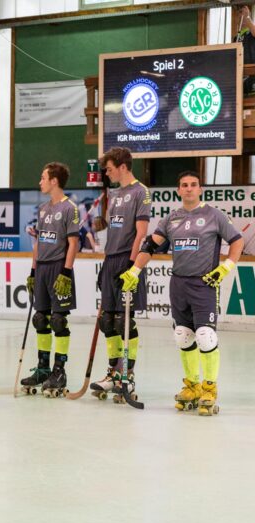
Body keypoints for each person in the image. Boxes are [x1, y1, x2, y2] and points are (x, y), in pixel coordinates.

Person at [120, 171, 243, 416]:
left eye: (193, 185)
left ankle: (210, 389)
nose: (188, 188)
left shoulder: (214, 215)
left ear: (200, 189)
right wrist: (134, 270)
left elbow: (237, 241)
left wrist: (226, 267)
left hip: (204, 284)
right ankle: (192, 386)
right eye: (184, 185)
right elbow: (150, 245)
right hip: (178, 284)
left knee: (206, 336)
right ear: (178, 190)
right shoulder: (171, 218)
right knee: (183, 336)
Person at [90, 147, 150, 398]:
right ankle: (113, 373)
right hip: (111, 260)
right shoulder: (115, 194)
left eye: (109, 169)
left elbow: (141, 233)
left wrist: (132, 266)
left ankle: (128, 374)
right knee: (108, 321)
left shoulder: (140, 192)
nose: (107, 173)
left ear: (123, 167)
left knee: (124, 321)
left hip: (127, 260)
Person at [19, 163, 79, 397]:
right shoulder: (43, 209)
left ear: (54, 181)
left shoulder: (70, 208)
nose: (40, 182)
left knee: (58, 320)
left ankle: (59, 371)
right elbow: (38, 242)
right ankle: (43, 368)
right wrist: (33, 271)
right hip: (42, 268)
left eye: (43, 178)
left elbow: (73, 244)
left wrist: (66, 272)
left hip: (58, 267)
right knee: (40, 319)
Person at [237, 6, 255, 94]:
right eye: (240, 14)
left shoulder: (252, 32)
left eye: (243, 14)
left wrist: (247, 17)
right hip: (241, 73)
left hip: (252, 72)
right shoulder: (237, 37)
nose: (241, 17)